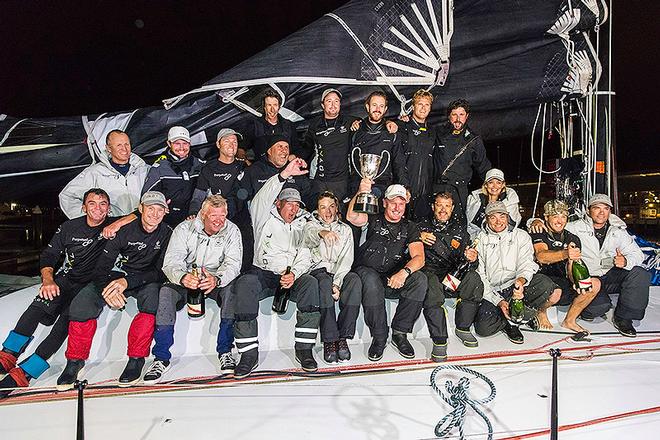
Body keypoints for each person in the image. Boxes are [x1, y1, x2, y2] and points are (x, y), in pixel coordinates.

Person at [0, 189, 119, 397]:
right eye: (92, 203)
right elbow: (50, 254)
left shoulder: (114, 225)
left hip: (91, 284)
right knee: (37, 306)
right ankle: (8, 355)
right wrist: (48, 280)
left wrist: (117, 223)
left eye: (103, 204)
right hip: (67, 279)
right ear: (83, 207)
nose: (98, 208)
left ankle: (28, 372)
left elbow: (140, 212)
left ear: (109, 208)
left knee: (65, 322)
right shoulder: (69, 227)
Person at [57, 191, 172, 390]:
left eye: (159, 209)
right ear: (141, 209)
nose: (154, 214)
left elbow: (160, 272)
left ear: (165, 211)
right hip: (114, 278)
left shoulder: (168, 233)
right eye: (150, 208)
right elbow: (101, 267)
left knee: (153, 301)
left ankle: (136, 358)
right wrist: (108, 289)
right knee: (81, 304)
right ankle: (75, 361)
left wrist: (128, 282)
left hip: (144, 279)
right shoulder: (123, 230)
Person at [232, 159, 320, 378]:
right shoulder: (263, 216)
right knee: (245, 284)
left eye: (297, 204)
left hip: (290, 275)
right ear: (278, 203)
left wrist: (294, 274)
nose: (293, 208)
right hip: (264, 273)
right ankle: (248, 354)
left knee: (310, 283)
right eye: (288, 203)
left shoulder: (304, 221)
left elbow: (307, 253)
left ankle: (304, 349)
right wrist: (282, 176)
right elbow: (262, 197)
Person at [142, 195, 243, 383]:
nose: (219, 220)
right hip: (186, 278)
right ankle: (161, 357)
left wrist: (217, 279)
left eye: (223, 215)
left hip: (213, 278)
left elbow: (233, 264)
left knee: (232, 291)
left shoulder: (232, 230)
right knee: (165, 293)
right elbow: (171, 262)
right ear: (202, 214)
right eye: (214, 215)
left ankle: (225, 351)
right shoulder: (184, 229)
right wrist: (182, 277)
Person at [531, 194, 649, 336]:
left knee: (640, 273)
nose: (601, 212)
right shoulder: (574, 227)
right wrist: (534, 221)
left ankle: (624, 319)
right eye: (596, 208)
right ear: (588, 211)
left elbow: (638, 254)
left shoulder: (618, 231)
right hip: (590, 274)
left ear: (610, 211)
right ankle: (587, 308)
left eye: (606, 208)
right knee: (598, 309)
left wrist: (626, 261)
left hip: (611, 273)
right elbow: (555, 222)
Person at [346, 181, 427, 361]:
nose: (397, 207)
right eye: (393, 202)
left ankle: (400, 333)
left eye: (401, 203)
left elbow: (419, 258)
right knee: (370, 279)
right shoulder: (372, 217)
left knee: (420, 279)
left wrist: (404, 272)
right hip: (368, 276)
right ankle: (379, 336)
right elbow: (352, 217)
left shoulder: (410, 227)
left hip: (393, 279)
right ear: (384, 203)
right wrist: (361, 191)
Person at [474, 201, 561, 344]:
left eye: (502, 216)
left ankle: (518, 317)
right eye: (493, 217)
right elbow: (480, 276)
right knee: (483, 328)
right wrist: (499, 301)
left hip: (515, 285)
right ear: (487, 219)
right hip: (493, 290)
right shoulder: (479, 240)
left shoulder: (521, 236)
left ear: (508, 217)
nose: (498, 221)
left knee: (545, 284)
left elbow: (527, 264)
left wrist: (521, 281)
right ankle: (515, 319)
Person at [417, 192, 483, 361]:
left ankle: (463, 328)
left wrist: (472, 258)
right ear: (433, 207)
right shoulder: (420, 226)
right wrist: (418, 237)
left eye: (447, 206)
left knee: (474, 280)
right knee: (431, 287)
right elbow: (404, 244)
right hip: (429, 272)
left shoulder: (460, 229)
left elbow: (469, 261)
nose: (443, 209)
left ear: (452, 208)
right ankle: (439, 340)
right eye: (439, 205)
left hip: (451, 277)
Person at [302, 191, 360, 363]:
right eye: (323, 207)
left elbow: (346, 259)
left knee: (355, 281)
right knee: (324, 283)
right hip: (318, 271)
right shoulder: (310, 225)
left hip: (338, 273)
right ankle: (329, 339)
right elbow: (310, 234)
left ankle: (342, 336)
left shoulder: (345, 229)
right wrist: (323, 232)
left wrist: (338, 283)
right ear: (317, 210)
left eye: (331, 206)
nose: (327, 212)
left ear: (336, 208)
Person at [530, 200, 599, 335]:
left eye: (563, 216)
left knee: (595, 284)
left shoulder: (572, 238)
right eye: (555, 216)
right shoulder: (538, 231)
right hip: (539, 281)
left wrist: (576, 282)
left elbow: (572, 265)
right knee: (556, 292)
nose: (559, 221)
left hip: (561, 280)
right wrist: (565, 253)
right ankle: (540, 310)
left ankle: (570, 320)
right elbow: (541, 256)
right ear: (546, 217)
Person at [190, 128, 251, 268]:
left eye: (234, 142)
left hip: (241, 220)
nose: (232, 145)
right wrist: (192, 213)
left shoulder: (244, 167)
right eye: (227, 141)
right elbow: (198, 195)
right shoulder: (209, 168)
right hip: (216, 220)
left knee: (243, 261)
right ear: (218, 144)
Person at [59, 129, 150, 218]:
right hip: (111, 228)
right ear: (108, 148)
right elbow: (67, 196)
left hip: (141, 227)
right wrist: (90, 219)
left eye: (127, 144)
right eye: (119, 145)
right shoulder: (95, 173)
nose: (124, 149)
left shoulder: (144, 169)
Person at [433, 99, 491, 215]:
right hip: (437, 187)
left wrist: (494, 185)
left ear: (467, 116)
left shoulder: (474, 139)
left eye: (461, 114)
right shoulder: (437, 133)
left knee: (458, 223)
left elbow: (483, 167)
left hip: (459, 191)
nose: (458, 119)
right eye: (454, 114)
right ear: (449, 116)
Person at [299, 89, 358, 203]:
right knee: (318, 212)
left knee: (338, 214)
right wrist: (296, 157)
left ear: (340, 104)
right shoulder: (315, 124)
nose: (333, 105)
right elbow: (307, 147)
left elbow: (370, 122)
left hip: (342, 181)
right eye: (329, 101)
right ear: (322, 104)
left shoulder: (349, 121)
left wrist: (389, 123)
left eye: (336, 101)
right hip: (319, 179)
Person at [141, 126, 205, 227]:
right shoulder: (159, 167)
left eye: (185, 143)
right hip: (167, 221)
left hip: (194, 218)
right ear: (169, 143)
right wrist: (160, 204)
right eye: (177, 143)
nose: (181, 148)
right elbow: (147, 196)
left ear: (190, 144)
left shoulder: (200, 164)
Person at [349, 91, 408, 199]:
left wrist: (404, 187)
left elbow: (399, 164)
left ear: (385, 109)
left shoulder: (392, 132)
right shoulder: (356, 130)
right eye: (374, 105)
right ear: (367, 107)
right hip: (358, 186)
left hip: (383, 188)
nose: (377, 109)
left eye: (381, 106)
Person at [237, 134, 314, 206]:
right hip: (264, 217)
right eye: (280, 146)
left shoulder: (295, 170)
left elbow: (307, 197)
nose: (284, 150)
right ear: (269, 151)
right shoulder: (254, 171)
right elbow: (241, 197)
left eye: (286, 147)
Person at [398, 90, 437, 221]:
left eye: (427, 105)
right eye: (420, 104)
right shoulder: (403, 126)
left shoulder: (433, 132)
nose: (423, 108)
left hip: (425, 190)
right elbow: (398, 160)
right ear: (413, 106)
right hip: (406, 188)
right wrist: (404, 186)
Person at [242, 88, 297, 161]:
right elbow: (242, 147)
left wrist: (294, 156)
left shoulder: (289, 125)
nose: (272, 109)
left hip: (285, 168)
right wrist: (246, 162)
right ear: (264, 107)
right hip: (261, 168)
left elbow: (297, 148)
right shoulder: (254, 125)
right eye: (269, 105)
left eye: (275, 105)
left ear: (279, 107)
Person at [465, 168, 521, 239]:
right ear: (485, 185)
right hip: (474, 240)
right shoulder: (474, 200)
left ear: (503, 185)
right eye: (491, 182)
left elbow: (512, 224)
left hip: (502, 240)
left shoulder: (510, 201)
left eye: (498, 183)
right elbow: (468, 222)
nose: (494, 186)